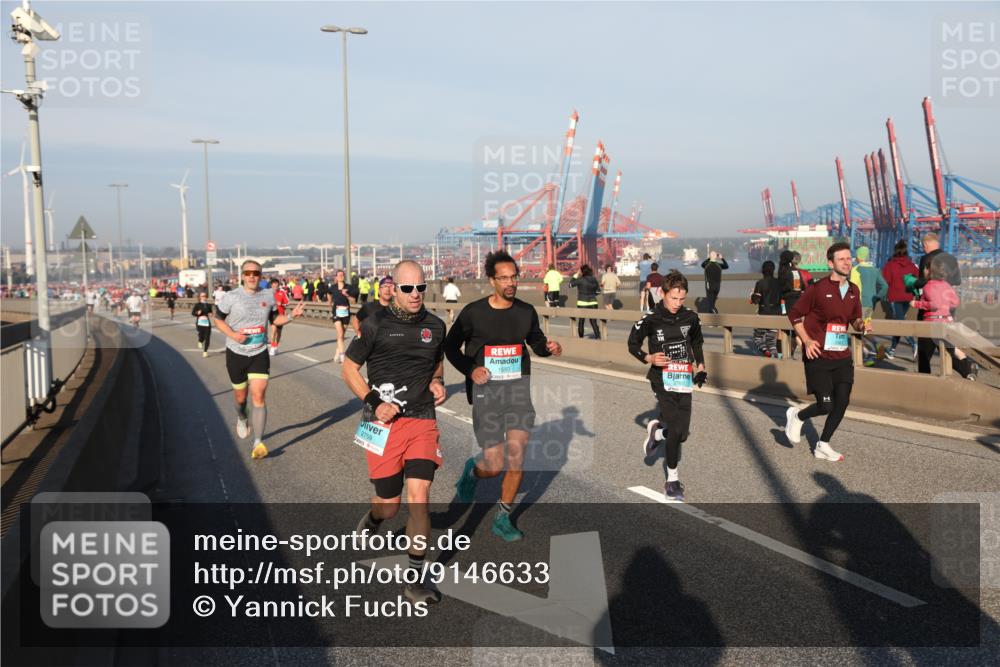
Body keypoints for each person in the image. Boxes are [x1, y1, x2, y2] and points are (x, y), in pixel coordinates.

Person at [344, 260, 447, 605]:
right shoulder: (375, 324)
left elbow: (436, 360)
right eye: (407, 288)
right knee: (389, 506)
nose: (415, 294)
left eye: (421, 287)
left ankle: (414, 581)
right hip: (382, 424)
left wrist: (437, 380)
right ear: (394, 288)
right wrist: (375, 402)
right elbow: (349, 369)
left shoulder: (436, 325)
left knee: (420, 497)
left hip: (421, 419)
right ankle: (375, 518)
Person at [446, 250, 562, 541]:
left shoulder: (525, 311)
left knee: (517, 458)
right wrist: (471, 369)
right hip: (486, 395)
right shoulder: (474, 313)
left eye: (514, 277)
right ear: (492, 280)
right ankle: (473, 471)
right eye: (504, 278)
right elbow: (450, 347)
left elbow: (536, 341)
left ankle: (503, 517)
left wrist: (549, 348)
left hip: (518, 392)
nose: (511, 283)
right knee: (494, 465)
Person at [784, 242, 870, 462]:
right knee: (826, 405)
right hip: (819, 355)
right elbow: (794, 314)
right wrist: (806, 340)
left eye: (849, 258)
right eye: (842, 259)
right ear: (831, 263)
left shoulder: (853, 290)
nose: (847, 263)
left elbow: (854, 319)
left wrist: (861, 326)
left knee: (842, 402)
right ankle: (797, 416)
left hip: (841, 355)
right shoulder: (817, 289)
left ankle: (823, 444)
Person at [214, 259, 305, 460]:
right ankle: (242, 416)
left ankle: (258, 442)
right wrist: (233, 335)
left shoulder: (268, 295)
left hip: (259, 352)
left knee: (259, 395)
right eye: (248, 273)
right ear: (242, 276)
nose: (252, 276)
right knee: (240, 398)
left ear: (260, 276)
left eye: (256, 273)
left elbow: (275, 320)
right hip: (236, 353)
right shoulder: (231, 297)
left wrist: (292, 316)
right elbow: (218, 319)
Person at [628, 271, 706, 501]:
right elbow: (632, 344)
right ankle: (672, 481)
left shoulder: (690, 317)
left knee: (681, 434)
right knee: (675, 430)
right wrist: (649, 358)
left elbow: (697, 342)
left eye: (682, 299)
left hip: (684, 379)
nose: (677, 303)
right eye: (673, 298)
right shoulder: (650, 318)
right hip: (661, 379)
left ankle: (657, 432)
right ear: (662, 293)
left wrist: (701, 367)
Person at [911, 253, 978, 380]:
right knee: (948, 353)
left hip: (930, 324)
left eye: (925, 268)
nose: (923, 270)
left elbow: (934, 304)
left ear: (929, 271)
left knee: (924, 356)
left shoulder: (928, 286)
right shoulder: (946, 285)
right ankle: (967, 371)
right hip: (945, 323)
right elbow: (955, 302)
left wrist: (917, 304)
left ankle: (925, 381)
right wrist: (945, 305)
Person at [914, 232, 965, 376]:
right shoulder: (951, 258)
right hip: (948, 308)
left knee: (925, 348)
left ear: (926, 244)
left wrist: (914, 284)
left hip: (930, 309)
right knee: (946, 345)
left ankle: (925, 378)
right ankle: (966, 368)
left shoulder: (926, 259)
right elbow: (958, 281)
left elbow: (922, 282)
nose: (923, 248)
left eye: (923, 246)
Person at [848, 246, 888, 366]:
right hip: (871, 303)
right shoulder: (875, 270)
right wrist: (877, 297)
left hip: (858, 303)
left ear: (858, 257)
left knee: (858, 328)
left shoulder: (856, 270)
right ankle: (877, 345)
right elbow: (885, 286)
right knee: (865, 326)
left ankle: (867, 355)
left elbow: (853, 288)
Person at [881, 240, 919, 361]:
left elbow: (885, 281)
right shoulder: (911, 265)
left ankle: (913, 343)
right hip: (908, 298)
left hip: (895, 297)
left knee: (900, 323)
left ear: (895, 251)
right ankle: (892, 350)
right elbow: (917, 278)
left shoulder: (890, 265)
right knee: (900, 322)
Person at [750, 260, 782, 357]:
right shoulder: (779, 282)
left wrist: (753, 295)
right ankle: (775, 355)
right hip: (776, 315)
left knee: (757, 338)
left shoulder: (760, 283)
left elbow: (756, 300)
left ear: (763, 270)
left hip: (763, 314)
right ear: (773, 270)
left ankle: (766, 352)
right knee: (771, 341)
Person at [330, 269, 359, 363]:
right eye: (339, 275)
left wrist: (346, 295)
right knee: (340, 334)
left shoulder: (349, 287)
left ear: (344, 277)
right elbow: (328, 294)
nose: (340, 277)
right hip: (336, 313)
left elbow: (354, 301)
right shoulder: (333, 287)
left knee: (342, 336)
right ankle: (342, 356)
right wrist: (330, 302)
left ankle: (337, 353)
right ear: (336, 277)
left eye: (342, 275)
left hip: (346, 314)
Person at [570, 264, 601, 338]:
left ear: (582, 271)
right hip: (593, 302)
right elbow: (598, 291)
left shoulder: (580, 279)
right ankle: (598, 337)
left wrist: (576, 274)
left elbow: (570, 284)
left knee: (581, 321)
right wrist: (592, 295)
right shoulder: (594, 279)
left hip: (582, 302)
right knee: (593, 321)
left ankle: (581, 338)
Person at [270, 279, 290, 356]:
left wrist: (281, 304)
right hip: (272, 314)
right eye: (274, 286)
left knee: (279, 332)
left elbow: (287, 303)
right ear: (271, 286)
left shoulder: (282, 292)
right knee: (273, 330)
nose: (275, 288)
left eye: (277, 286)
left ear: (279, 286)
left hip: (281, 315)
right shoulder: (269, 293)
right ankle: (272, 347)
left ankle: (276, 347)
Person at [191, 292, 213, 357]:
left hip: (207, 323)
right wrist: (197, 313)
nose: (204, 297)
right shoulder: (197, 305)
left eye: (205, 296)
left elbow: (210, 312)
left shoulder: (208, 305)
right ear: (200, 297)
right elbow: (193, 313)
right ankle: (200, 341)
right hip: (200, 323)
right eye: (202, 296)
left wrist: (211, 314)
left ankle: (205, 351)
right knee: (201, 335)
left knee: (207, 337)